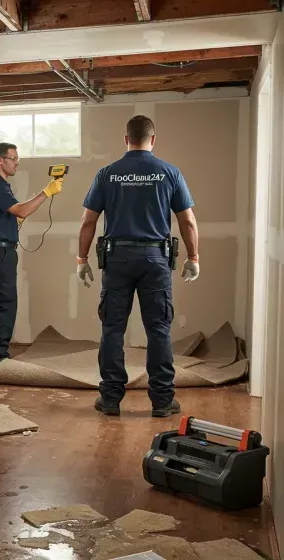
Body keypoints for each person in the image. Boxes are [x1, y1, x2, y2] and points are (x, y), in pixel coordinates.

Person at [76, 115, 200, 418]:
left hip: (117, 260)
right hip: (155, 260)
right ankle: (161, 402)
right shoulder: (169, 173)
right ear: (153, 140)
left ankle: (110, 400)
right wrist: (193, 257)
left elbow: (88, 221)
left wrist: (81, 260)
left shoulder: (107, 174)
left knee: (112, 329)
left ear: (126, 139)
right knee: (158, 330)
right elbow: (187, 221)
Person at [0, 142, 64, 371]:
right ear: (0, 160)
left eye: (17, 159)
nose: (16, 163)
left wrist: (12, 220)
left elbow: (14, 212)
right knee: (5, 302)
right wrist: (46, 192)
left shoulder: (0, 185)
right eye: (13, 158)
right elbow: (21, 210)